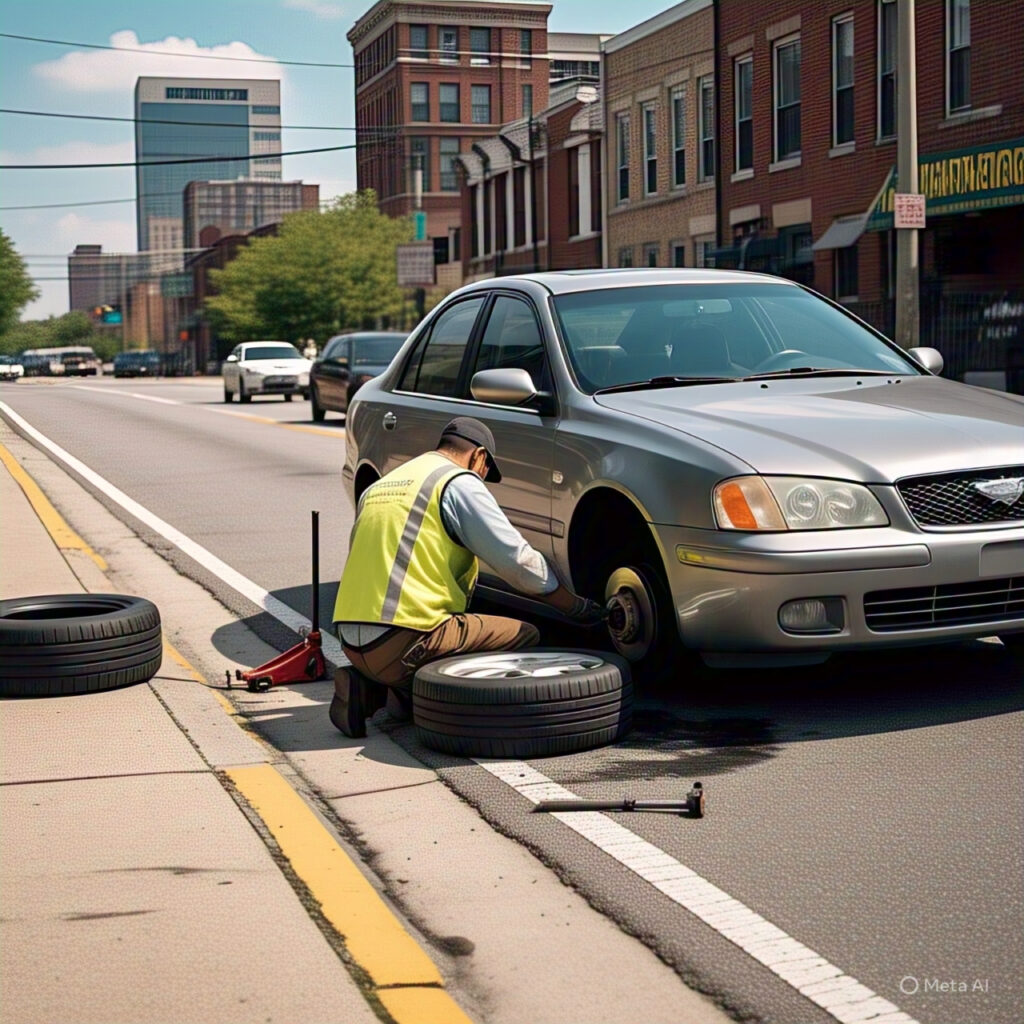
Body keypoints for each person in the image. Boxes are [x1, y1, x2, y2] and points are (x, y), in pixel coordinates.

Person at [330, 416, 606, 737]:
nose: (484, 479)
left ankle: (370, 686)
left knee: (438, 638)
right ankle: (424, 697)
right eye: (487, 471)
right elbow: (519, 563)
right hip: (404, 639)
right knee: (525, 634)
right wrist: (575, 607)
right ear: (478, 457)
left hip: (350, 641)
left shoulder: (384, 485)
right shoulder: (457, 482)